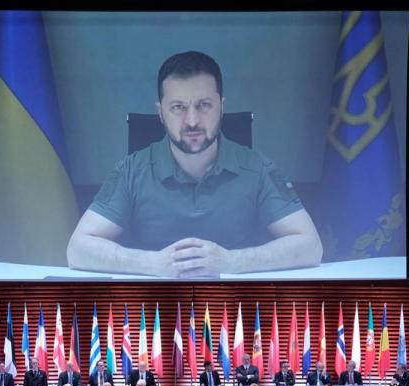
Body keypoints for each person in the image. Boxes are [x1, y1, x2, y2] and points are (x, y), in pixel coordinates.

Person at [66, 50, 322, 279]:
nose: (192, 121)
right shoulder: (131, 170)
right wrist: (153, 264)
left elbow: (311, 246)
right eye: (178, 107)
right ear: (160, 112)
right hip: (154, 313)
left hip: (237, 312)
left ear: (221, 107)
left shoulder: (258, 168)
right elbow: (77, 249)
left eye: (204, 105)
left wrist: (232, 262)